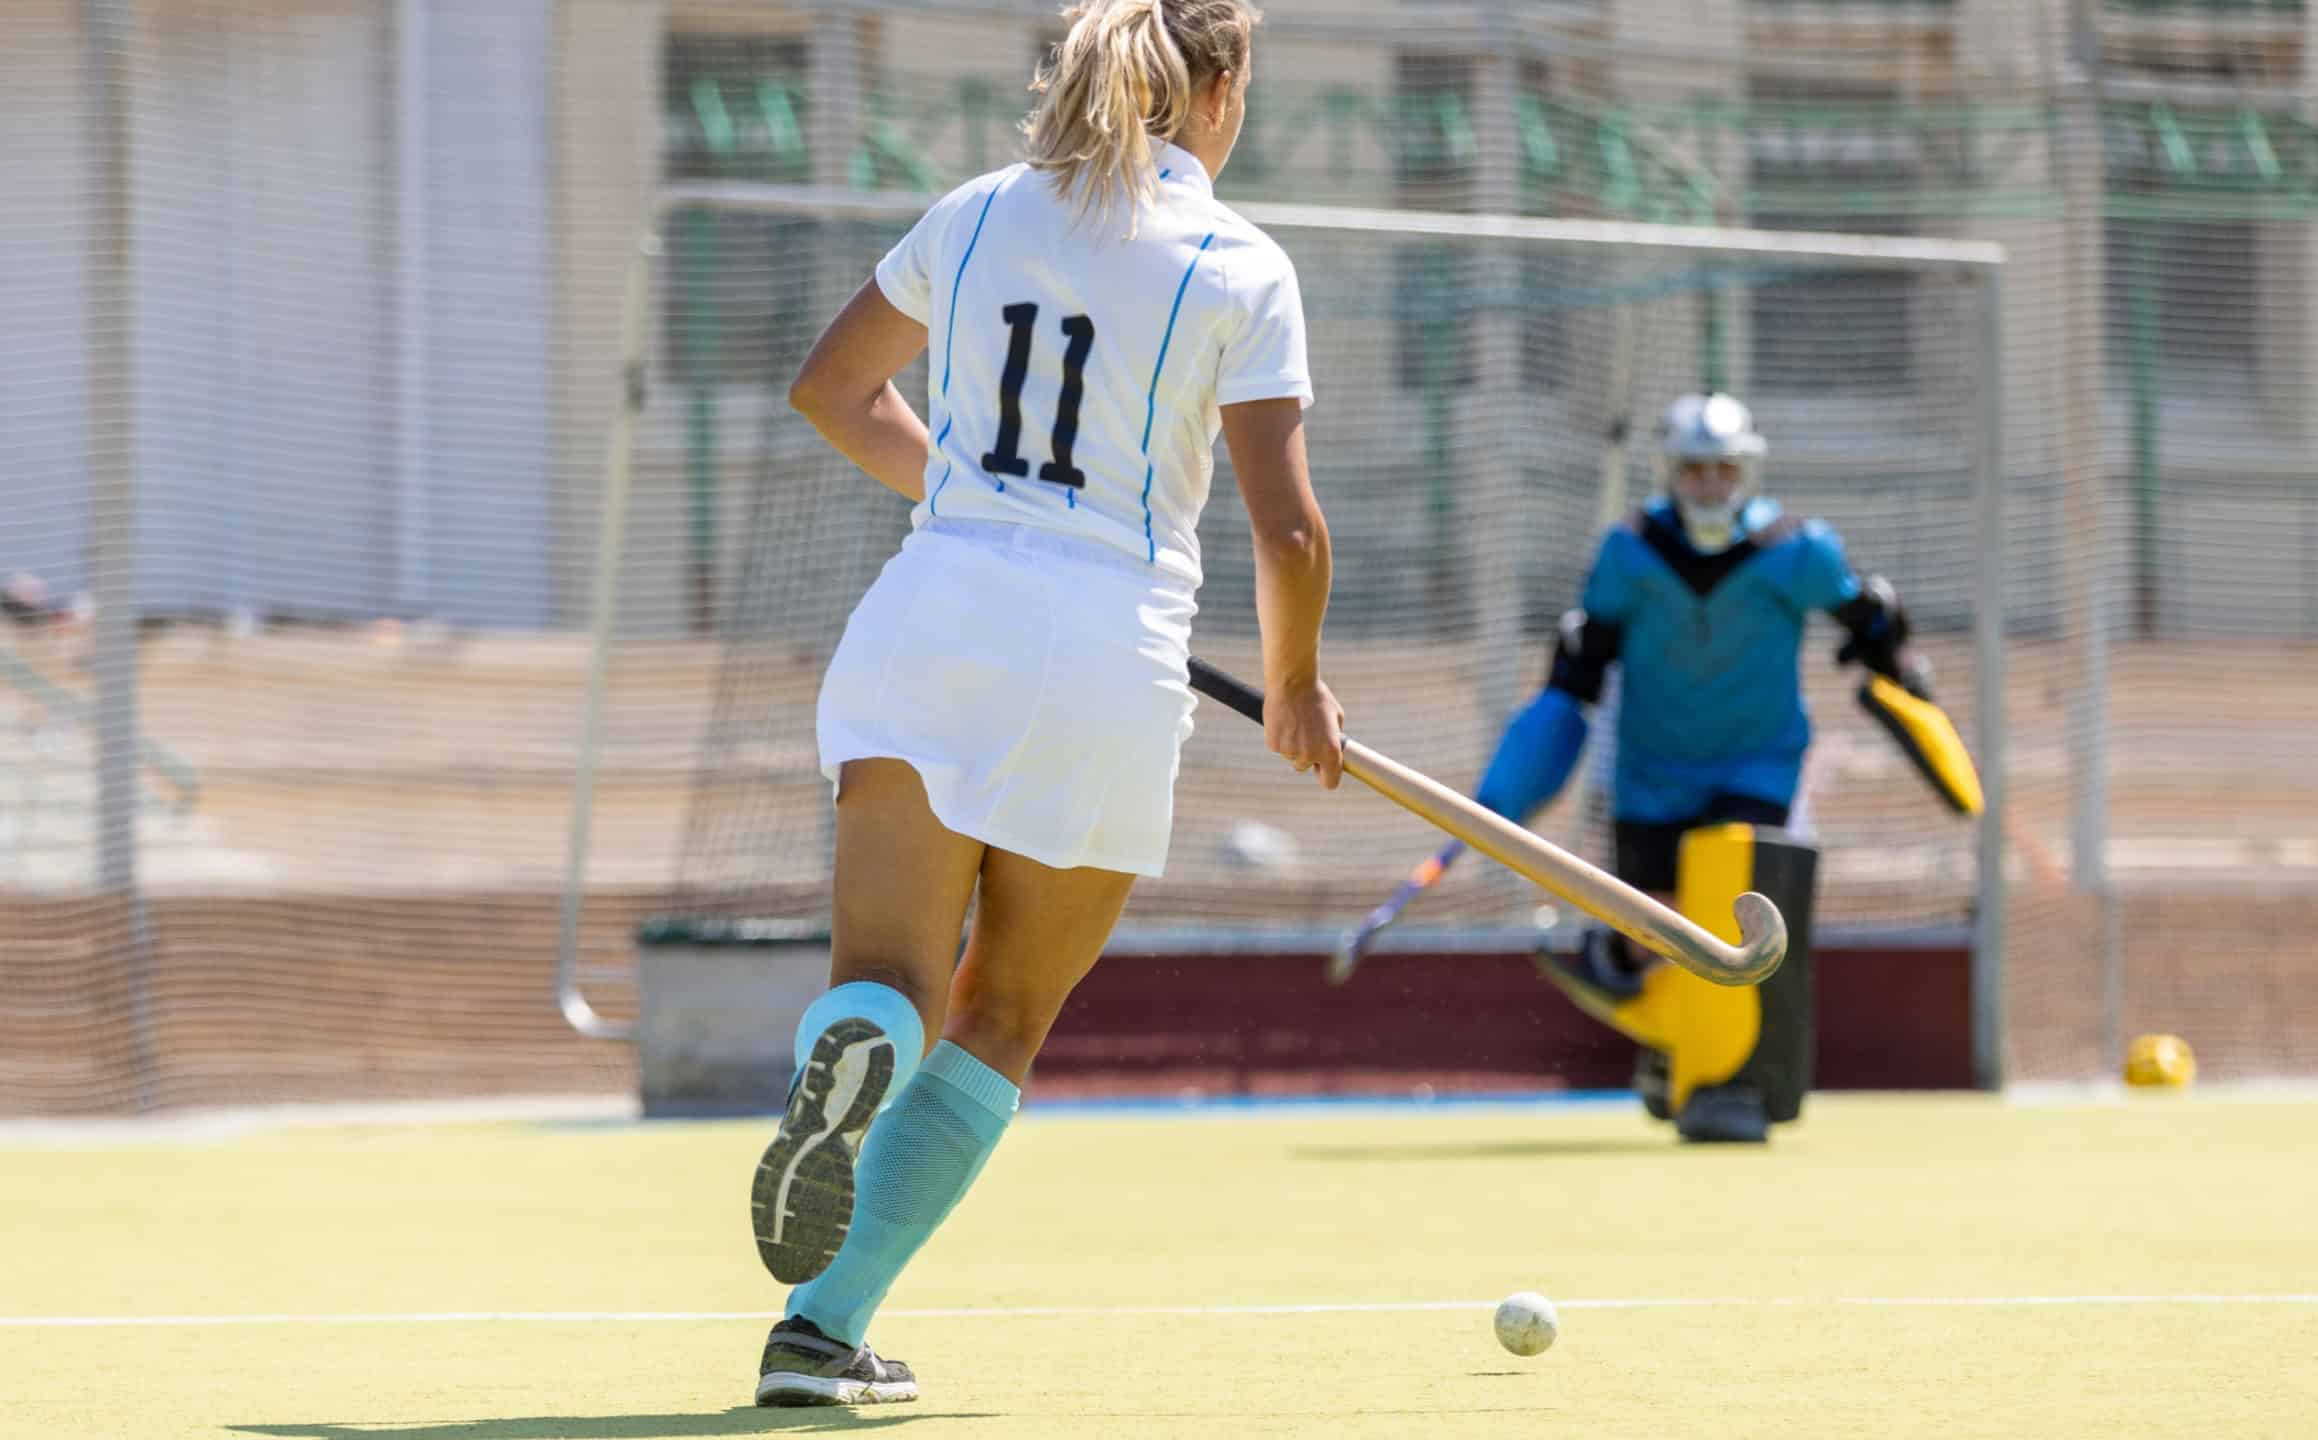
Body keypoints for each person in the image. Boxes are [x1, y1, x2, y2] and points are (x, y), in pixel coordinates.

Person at [749, 0, 1340, 1406]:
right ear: (1221, 92)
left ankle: (852, 1062)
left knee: (883, 979)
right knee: (1002, 1009)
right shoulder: (1239, 262)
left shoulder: (977, 211)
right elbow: (1289, 534)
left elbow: (834, 389)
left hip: (930, 612)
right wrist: (1299, 684)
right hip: (1104, 649)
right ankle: (820, 1329)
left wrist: (972, 505)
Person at [1473, 391, 1934, 1142]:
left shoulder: (1798, 549)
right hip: (1653, 769)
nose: (1710, 485)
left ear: (1746, 470)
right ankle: (1666, 1039)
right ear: (1671, 473)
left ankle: (1725, 1085)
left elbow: (1863, 619)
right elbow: (1585, 663)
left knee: (1725, 916)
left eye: (1724, 469)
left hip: (1757, 765)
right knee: (1655, 931)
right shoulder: (1629, 552)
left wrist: (1899, 656)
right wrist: (1547, 723)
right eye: (1694, 470)